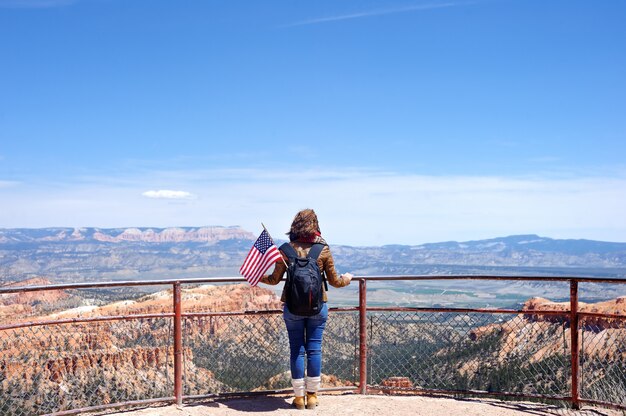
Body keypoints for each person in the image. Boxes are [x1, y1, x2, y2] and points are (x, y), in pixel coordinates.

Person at [260, 209, 353, 410]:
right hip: (318, 307)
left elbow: (274, 279)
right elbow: (335, 281)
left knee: (296, 350)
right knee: (314, 349)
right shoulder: (323, 249)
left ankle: (299, 398)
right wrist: (348, 278)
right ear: (315, 225)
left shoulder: (285, 249)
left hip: (292, 308)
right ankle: (312, 396)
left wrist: (258, 277)